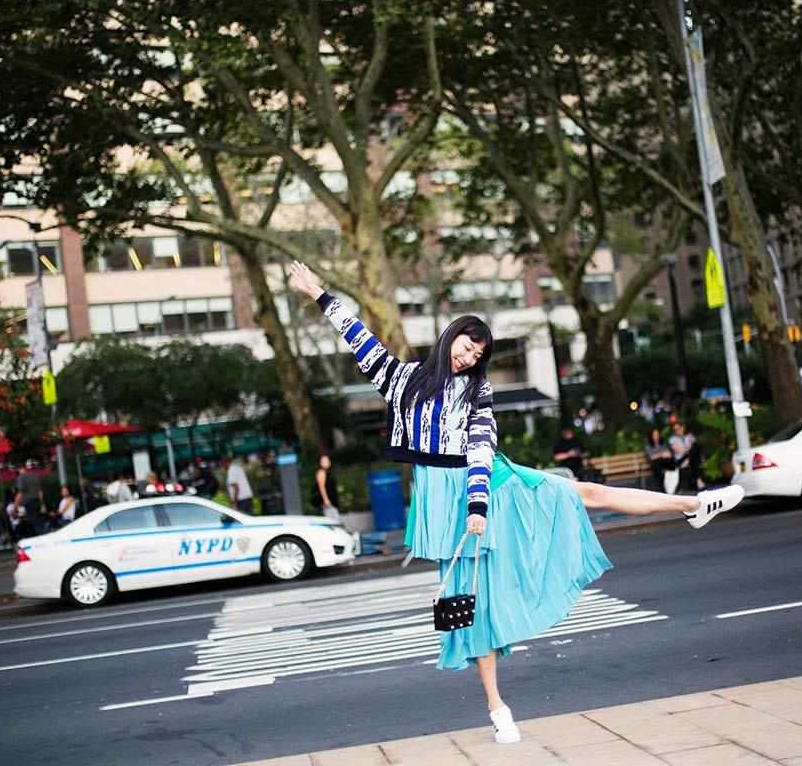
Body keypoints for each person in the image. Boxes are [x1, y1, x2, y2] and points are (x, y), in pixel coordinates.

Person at [289, 260, 744, 745]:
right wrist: (318, 291)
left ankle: (693, 506)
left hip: (486, 482)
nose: (469, 357)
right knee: (474, 602)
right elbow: (357, 336)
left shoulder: (477, 390)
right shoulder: (401, 379)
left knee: (585, 493)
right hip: (439, 499)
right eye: (467, 346)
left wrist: (479, 506)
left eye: (478, 353)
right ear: (449, 338)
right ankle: (497, 706)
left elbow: (481, 447)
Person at [668, 419, 698, 493]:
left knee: (694, 453)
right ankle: (698, 480)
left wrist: (687, 448)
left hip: (688, 459)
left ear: (682, 428)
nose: (677, 431)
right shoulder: (672, 439)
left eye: (678, 429)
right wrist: (688, 447)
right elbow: (680, 451)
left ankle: (687, 462)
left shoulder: (688, 437)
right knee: (692, 454)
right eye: (675, 430)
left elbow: (693, 447)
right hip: (679, 460)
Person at [15, 464, 43, 535]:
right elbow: (40, 491)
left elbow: (20, 492)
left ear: (19, 469)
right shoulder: (35, 476)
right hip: (37, 501)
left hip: (28, 502)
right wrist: (42, 503)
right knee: (38, 521)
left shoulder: (21, 477)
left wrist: (15, 505)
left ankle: (40, 538)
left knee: (34, 523)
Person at [644, 428, 675, 493]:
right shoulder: (649, 446)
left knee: (671, 463)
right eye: (654, 435)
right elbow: (651, 457)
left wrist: (665, 455)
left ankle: (671, 488)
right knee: (657, 466)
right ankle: (663, 489)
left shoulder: (663, 444)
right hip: (656, 464)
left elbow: (669, 454)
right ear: (651, 436)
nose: (656, 437)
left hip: (665, 463)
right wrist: (661, 454)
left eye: (657, 435)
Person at [314, 454, 340, 520]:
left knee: (335, 519)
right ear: (320, 463)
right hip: (328, 502)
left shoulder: (327, 472)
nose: (326, 463)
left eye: (327, 460)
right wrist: (326, 500)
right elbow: (321, 487)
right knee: (333, 520)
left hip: (332, 501)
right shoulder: (321, 472)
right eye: (324, 461)